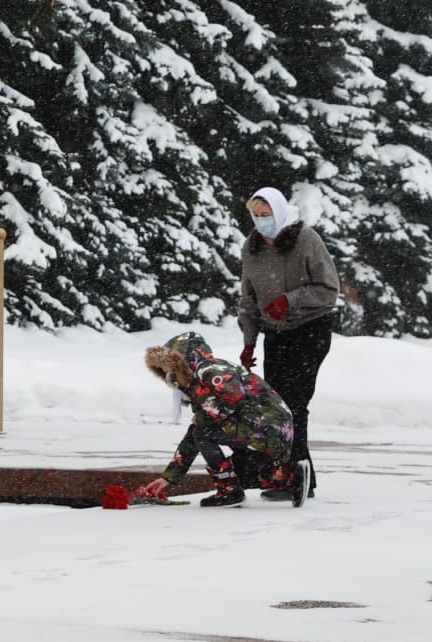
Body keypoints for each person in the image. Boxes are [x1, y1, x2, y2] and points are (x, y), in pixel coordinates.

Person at [237, 187, 339, 500]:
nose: (261, 221)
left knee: (295, 402)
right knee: (274, 406)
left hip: (310, 329)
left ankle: (297, 475)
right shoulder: (251, 247)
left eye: (266, 215)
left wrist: (291, 301)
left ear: (280, 212)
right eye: (256, 216)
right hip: (275, 334)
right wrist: (250, 341)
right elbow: (248, 299)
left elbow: (328, 289)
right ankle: (281, 474)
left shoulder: (306, 240)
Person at [135, 332, 308, 508]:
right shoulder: (201, 380)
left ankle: (229, 491)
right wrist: (168, 478)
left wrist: (202, 418)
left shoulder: (208, 369)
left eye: (170, 370)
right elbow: (197, 431)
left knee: (204, 434)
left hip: (266, 424)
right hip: (270, 429)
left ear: (181, 362)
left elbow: (233, 399)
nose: (170, 376)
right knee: (226, 456)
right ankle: (293, 478)